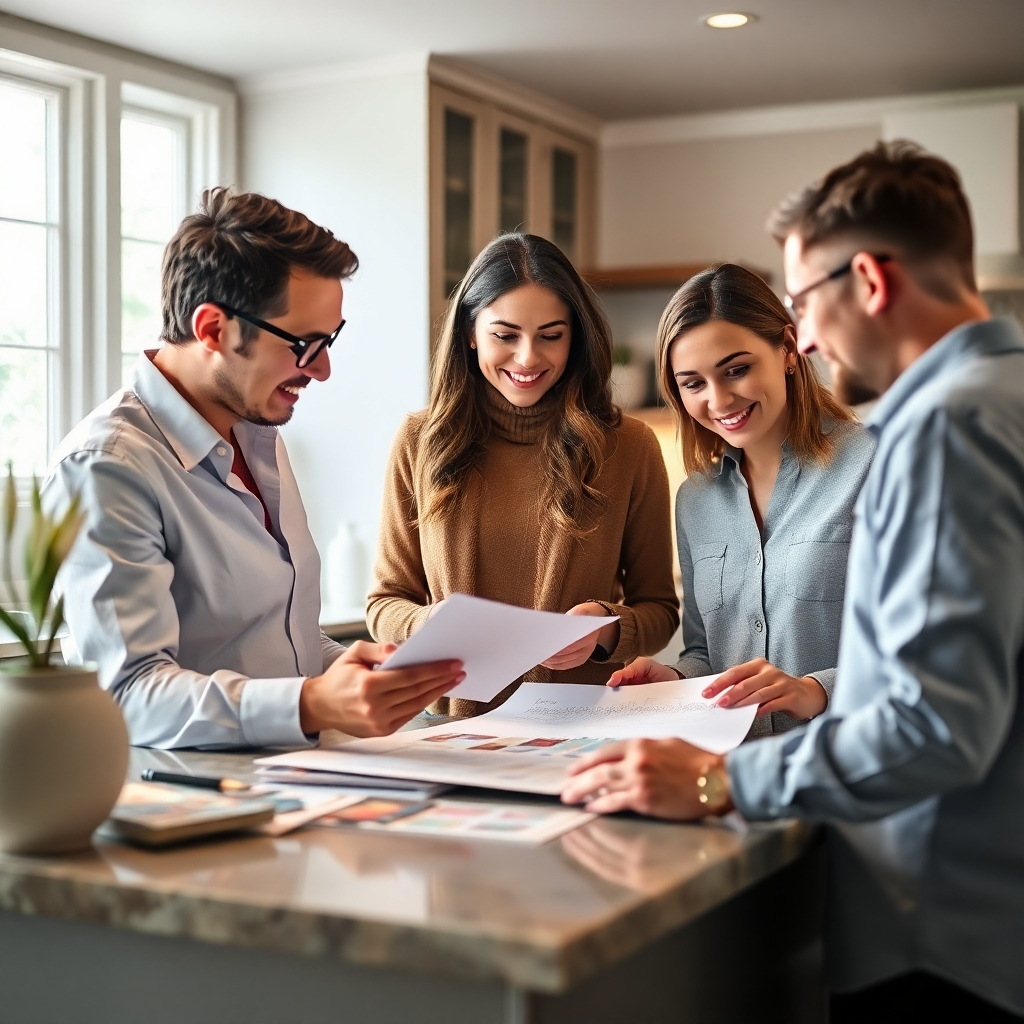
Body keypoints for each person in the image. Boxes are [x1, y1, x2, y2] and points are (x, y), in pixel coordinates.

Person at [562, 142, 1024, 1021]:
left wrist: (720, 784)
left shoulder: (936, 433)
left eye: (805, 302)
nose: (805, 333)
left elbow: (933, 718)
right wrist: (685, 688)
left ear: (871, 282)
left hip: (941, 910)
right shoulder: (1003, 395)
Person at [44, 188, 463, 749]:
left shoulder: (258, 432)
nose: (323, 370)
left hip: (302, 781)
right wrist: (312, 702)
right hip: (192, 805)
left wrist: (373, 675)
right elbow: (126, 696)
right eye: (304, 344)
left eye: (329, 341)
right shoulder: (105, 468)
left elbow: (271, 639)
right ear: (213, 329)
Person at [367, 233, 679, 718]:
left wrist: (606, 629)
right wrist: (430, 624)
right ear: (470, 332)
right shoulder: (418, 441)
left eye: (551, 335)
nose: (529, 357)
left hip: (582, 729)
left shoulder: (630, 446)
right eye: (505, 335)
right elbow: (385, 604)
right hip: (447, 732)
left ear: (575, 336)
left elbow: (660, 610)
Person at [608, 264, 874, 738]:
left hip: (847, 770)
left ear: (789, 350)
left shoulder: (875, 464)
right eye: (693, 383)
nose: (719, 399)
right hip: (734, 780)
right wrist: (673, 681)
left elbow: (922, 645)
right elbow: (705, 655)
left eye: (737, 370)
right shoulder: (696, 499)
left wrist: (817, 689)